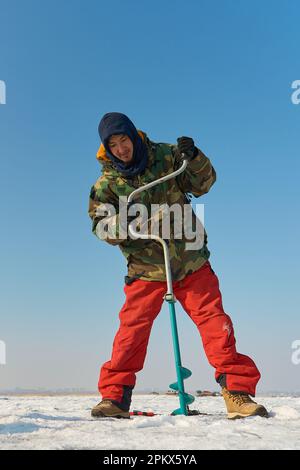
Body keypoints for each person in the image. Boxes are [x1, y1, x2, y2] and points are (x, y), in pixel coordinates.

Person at [88, 112, 268, 420]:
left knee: (216, 324)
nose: (121, 149)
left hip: (190, 260)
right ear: (107, 148)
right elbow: (100, 228)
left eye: (124, 140)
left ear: (134, 135)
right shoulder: (107, 185)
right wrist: (125, 221)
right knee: (131, 332)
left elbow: (204, 184)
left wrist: (195, 157)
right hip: (145, 268)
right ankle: (115, 398)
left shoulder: (168, 156)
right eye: (113, 144)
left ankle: (237, 394)